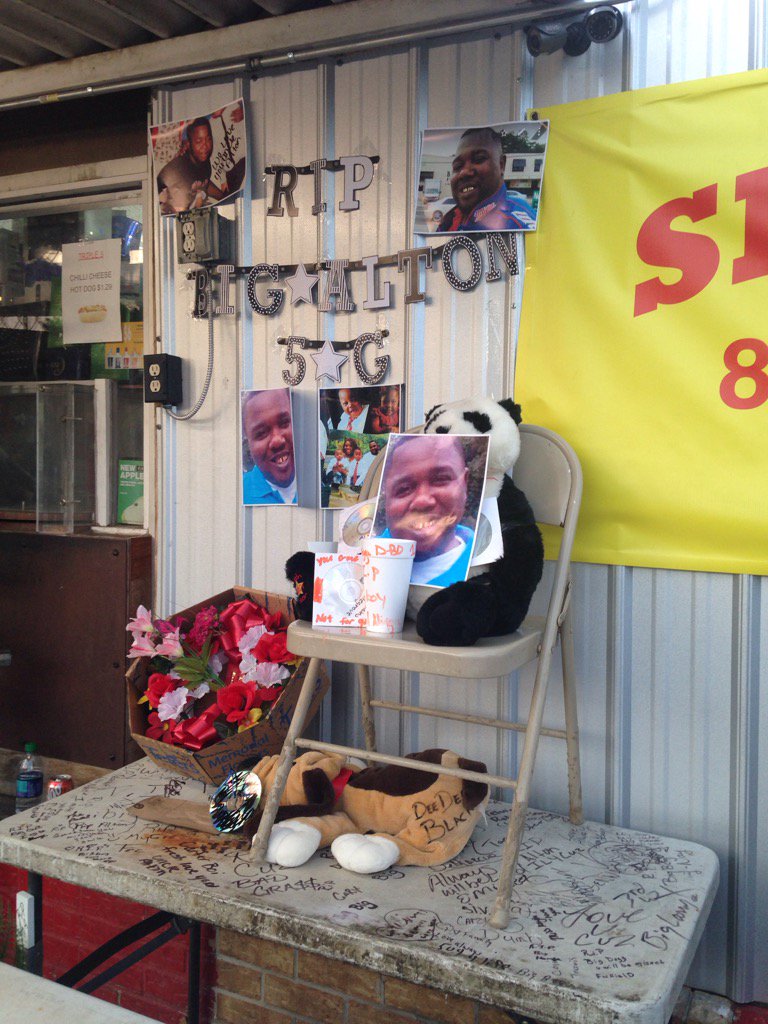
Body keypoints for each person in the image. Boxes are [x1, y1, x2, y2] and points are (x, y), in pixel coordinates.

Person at [380, 434, 475, 587]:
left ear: (465, 483)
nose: (422, 501)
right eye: (403, 489)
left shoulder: (485, 565)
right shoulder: (361, 561)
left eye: (440, 479)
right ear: (387, 499)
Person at [436, 127, 536, 233]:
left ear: (501, 165)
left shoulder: (517, 227)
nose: (464, 172)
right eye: (457, 166)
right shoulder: (450, 219)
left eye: (479, 159)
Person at [156, 117, 229, 214]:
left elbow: (203, 182)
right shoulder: (179, 172)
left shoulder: (202, 160)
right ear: (188, 144)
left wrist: (224, 198)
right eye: (199, 141)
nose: (205, 146)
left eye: (208, 139)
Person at [242, 388, 297, 505]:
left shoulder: (321, 481)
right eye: (261, 433)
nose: (277, 441)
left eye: (284, 423)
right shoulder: (239, 494)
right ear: (249, 444)